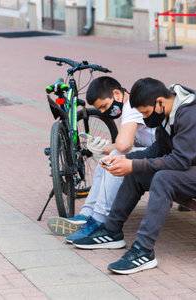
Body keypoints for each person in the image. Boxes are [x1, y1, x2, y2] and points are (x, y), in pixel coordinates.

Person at [72, 78, 196, 275]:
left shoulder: (191, 114)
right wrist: (126, 160)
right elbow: (159, 149)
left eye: (146, 113)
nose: (145, 118)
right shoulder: (168, 112)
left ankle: (144, 251)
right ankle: (112, 231)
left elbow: (180, 161)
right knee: (137, 173)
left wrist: (132, 164)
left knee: (164, 179)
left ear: (160, 102)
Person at [47, 76, 155, 243]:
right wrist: (102, 149)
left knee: (114, 159)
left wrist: (108, 149)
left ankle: (99, 221)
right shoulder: (129, 106)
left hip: (167, 158)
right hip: (156, 153)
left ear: (117, 94)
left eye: (104, 106)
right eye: (101, 109)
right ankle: (87, 214)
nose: (104, 112)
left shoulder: (132, 106)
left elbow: (124, 145)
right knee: (107, 159)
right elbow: (131, 143)